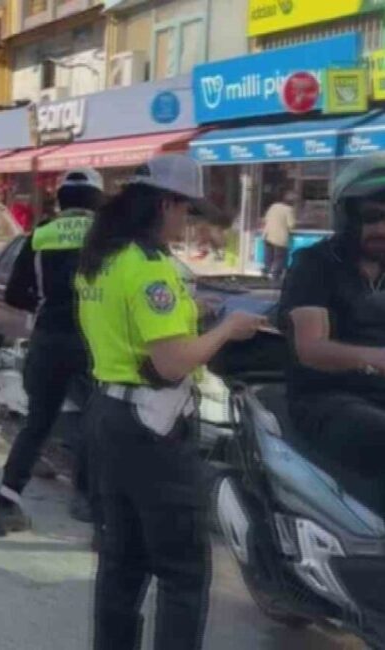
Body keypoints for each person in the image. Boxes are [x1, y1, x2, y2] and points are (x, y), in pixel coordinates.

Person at [75, 154, 264, 650]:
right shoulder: (150, 269)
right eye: (186, 211)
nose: (187, 223)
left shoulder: (105, 258)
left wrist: (190, 309)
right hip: (152, 423)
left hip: (108, 415)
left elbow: (132, 325)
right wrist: (226, 328)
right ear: (164, 204)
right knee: (183, 569)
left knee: (122, 560)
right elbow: (172, 363)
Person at [0, 168, 105, 536]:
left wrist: (43, 301)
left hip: (48, 339)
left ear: (60, 201)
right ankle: (88, 502)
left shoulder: (40, 236)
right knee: (97, 421)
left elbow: (13, 295)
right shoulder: (109, 238)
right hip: (94, 342)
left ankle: (6, 506)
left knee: (37, 424)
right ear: (98, 201)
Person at [280, 155, 385, 502]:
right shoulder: (315, 266)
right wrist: (378, 359)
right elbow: (311, 349)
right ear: (345, 217)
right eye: (370, 217)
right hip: (326, 398)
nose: (381, 229)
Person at [263, 190, 298, 281]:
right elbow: (291, 225)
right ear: (292, 202)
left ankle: (266, 274)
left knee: (268, 256)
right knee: (279, 258)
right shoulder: (289, 210)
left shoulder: (274, 206)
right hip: (280, 238)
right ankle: (274, 276)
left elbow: (266, 219)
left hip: (268, 235)